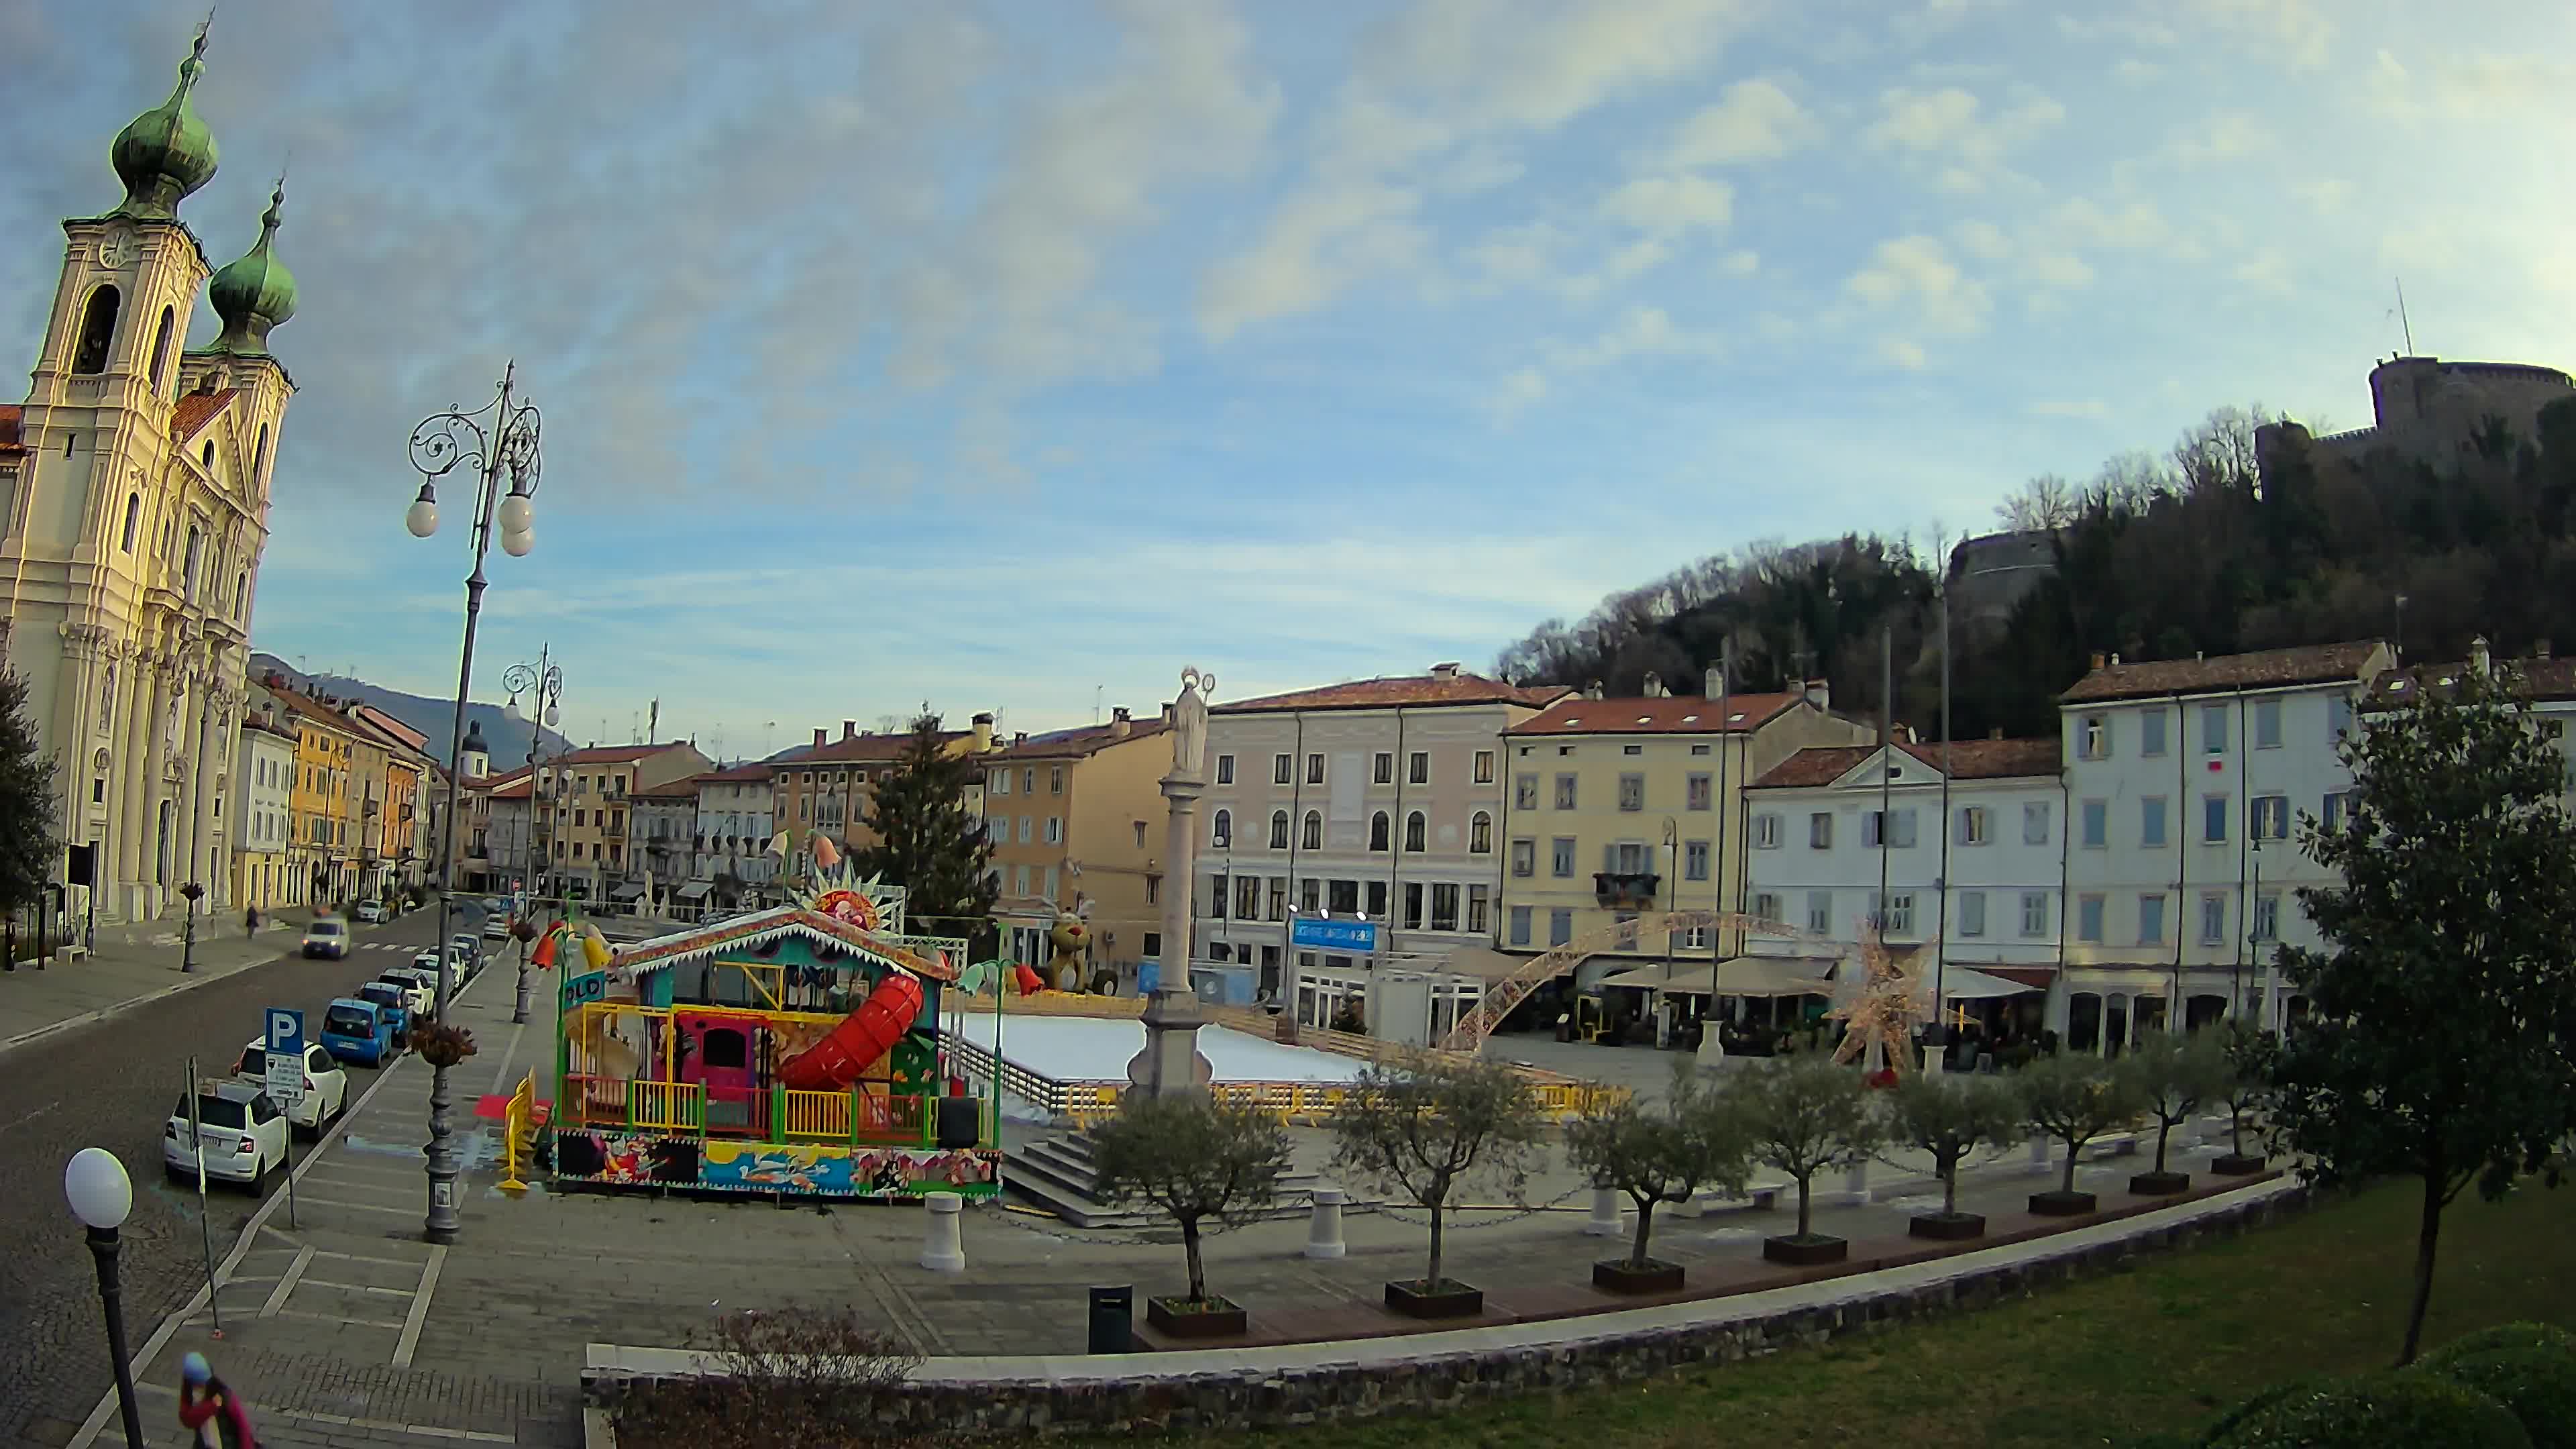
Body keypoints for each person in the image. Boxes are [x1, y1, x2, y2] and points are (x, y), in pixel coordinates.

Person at [178, 1351, 258, 1447]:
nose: (201, 1387)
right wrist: (211, 1406)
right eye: (197, 1384)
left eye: (204, 1383)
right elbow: (187, 1419)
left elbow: (242, 1425)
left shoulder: (224, 1395)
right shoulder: (189, 1392)